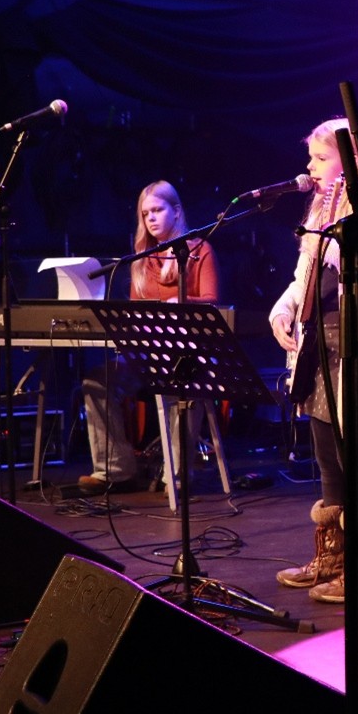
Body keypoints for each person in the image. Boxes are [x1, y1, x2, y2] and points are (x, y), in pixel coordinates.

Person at [270, 117, 358, 603]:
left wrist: (339, 221)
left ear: (350, 166)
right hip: (318, 346)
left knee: (352, 452)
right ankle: (333, 557)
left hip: (351, 346)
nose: (310, 166)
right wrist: (282, 310)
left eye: (321, 158)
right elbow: (303, 277)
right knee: (326, 449)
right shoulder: (318, 212)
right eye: (312, 157)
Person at [79, 181, 220, 495]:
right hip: (147, 353)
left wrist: (180, 302)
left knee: (185, 382)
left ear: (176, 211)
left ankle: (177, 475)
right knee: (97, 382)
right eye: (145, 214)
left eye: (157, 210)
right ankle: (114, 469)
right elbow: (135, 311)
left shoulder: (200, 250)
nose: (151, 218)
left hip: (187, 351)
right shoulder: (142, 259)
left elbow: (212, 303)